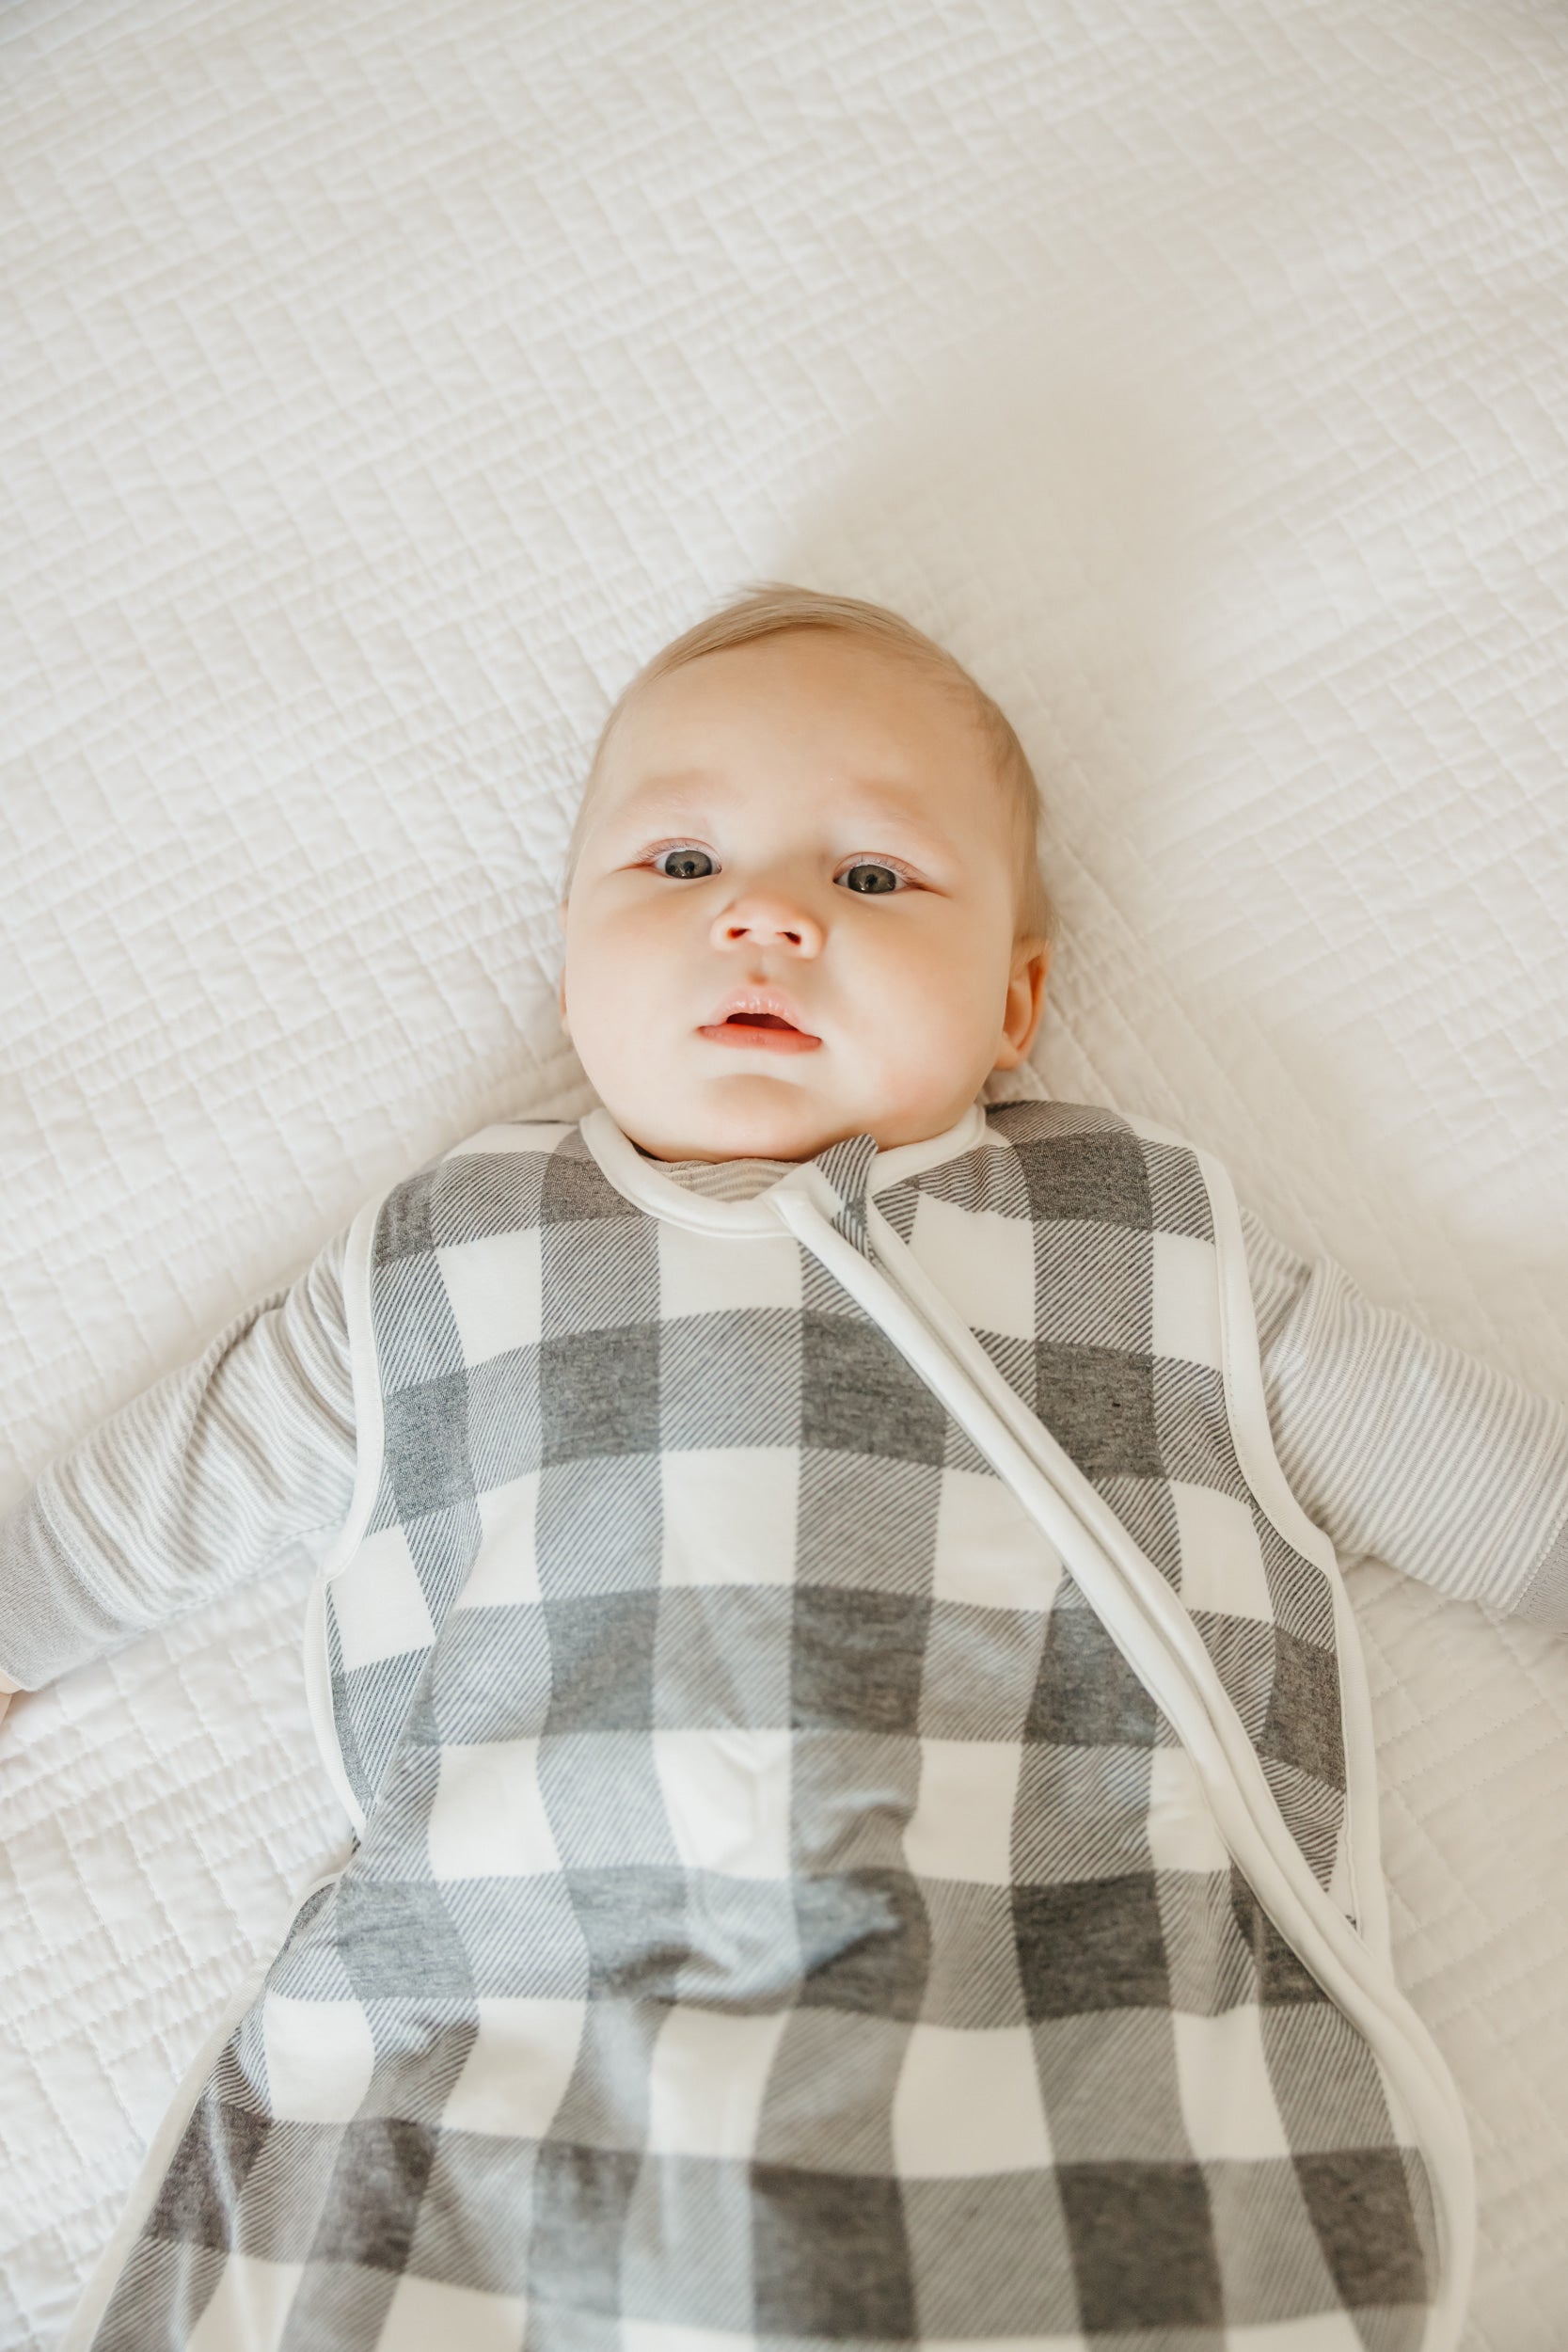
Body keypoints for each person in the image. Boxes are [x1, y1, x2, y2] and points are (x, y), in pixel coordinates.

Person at [5, 583, 1564, 2352]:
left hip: (1048, 1974)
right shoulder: (462, 1246)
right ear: (568, 969)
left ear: (1015, 1002)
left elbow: (1452, 1460)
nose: (765, 915)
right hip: (538, 1981)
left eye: (874, 878)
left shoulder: (1132, 1237)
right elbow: (169, 1486)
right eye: (680, 864)